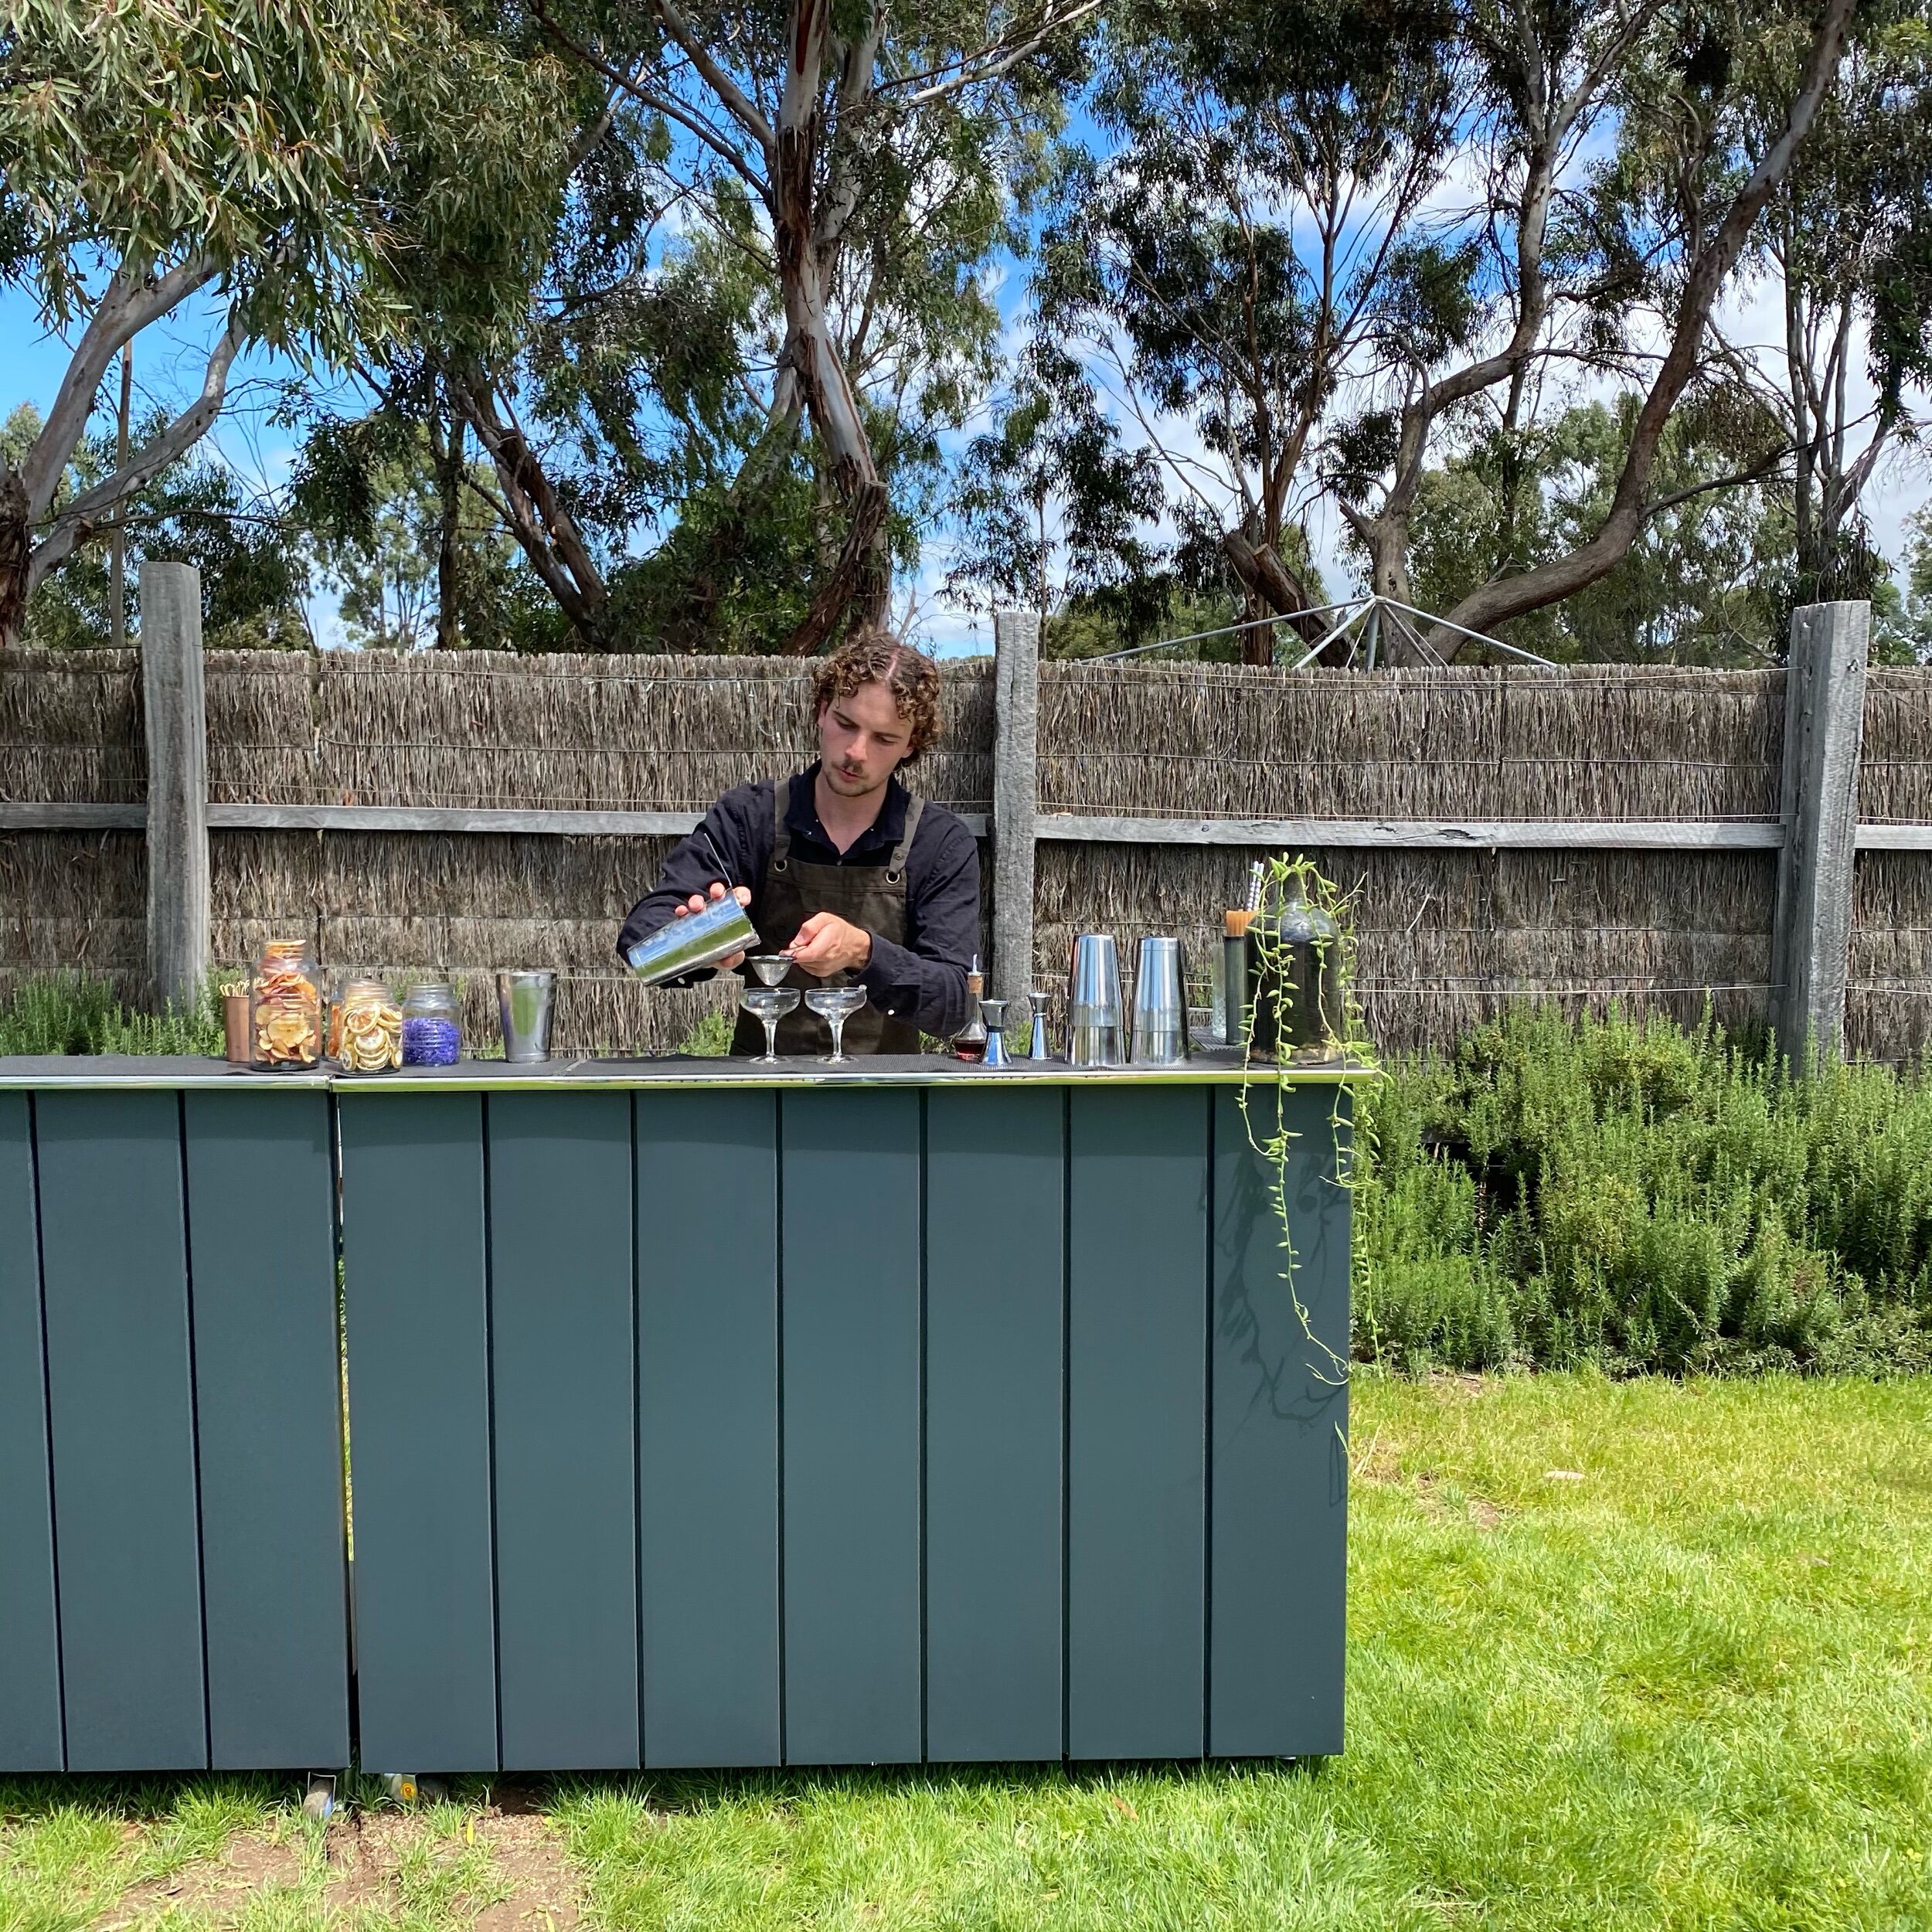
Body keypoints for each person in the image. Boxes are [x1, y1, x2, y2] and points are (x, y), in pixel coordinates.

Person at [617, 630, 981, 1055]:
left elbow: (955, 1004)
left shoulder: (941, 843)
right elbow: (640, 940)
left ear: (910, 745)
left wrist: (863, 952)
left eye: (883, 739)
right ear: (822, 710)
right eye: (846, 724)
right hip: (760, 1099)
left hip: (886, 1099)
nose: (857, 752)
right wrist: (698, 937)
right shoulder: (747, 818)